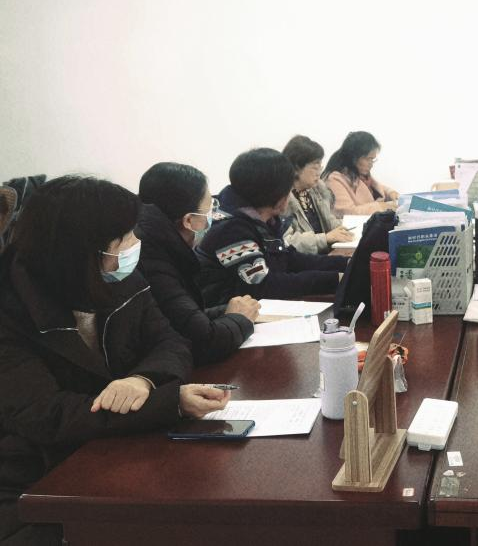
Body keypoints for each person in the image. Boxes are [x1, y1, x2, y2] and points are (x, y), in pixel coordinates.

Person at [0, 176, 229, 544]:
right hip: (36, 484)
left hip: (116, 450)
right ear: (78, 251)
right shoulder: (11, 311)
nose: (136, 244)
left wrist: (142, 380)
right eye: (124, 237)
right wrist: (169, 403)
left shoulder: (118, 278)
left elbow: (171, 340)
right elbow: (48, 415)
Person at [137, 162, 261, 366]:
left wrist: (229, 311)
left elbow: (182, 317)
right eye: (209, 210)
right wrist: (239, 319)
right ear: (188, 221)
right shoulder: (152, 261)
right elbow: (204, 341)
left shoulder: (158, 244)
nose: (212, 217)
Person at [197, 148, 348, 306]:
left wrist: (346, 264)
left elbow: (290, 259)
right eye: (289, 189)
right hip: (226, 313)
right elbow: (262, 285)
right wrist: (334, 279)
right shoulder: (230, 230)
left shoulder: (264, 218)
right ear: (278, 195)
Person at [281, 135, 354, 254]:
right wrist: (325, 238)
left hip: (324, 255)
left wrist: (348, 228)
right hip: (306, 262)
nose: (319, 173)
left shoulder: (315, 190)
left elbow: (330, 222)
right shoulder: (281, 199)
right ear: (296, 168)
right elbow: (286, 242)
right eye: (315, 167)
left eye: (320, 167)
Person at [322, 131, 399, 216]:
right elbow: (347, 212)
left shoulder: (360, 175)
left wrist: (391, 193)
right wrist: (380, 207)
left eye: (373, 159)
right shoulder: (334, 180)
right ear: (353, 157)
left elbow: (377, 188)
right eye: (368, 159)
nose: (371, 164)